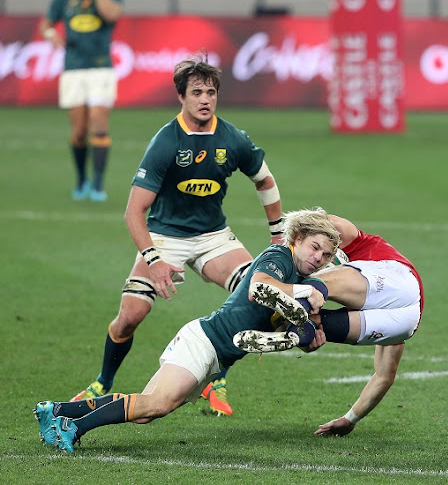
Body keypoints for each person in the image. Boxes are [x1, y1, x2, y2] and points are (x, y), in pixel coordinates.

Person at [69, 54, 286, 417]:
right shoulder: (166, 143)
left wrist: (278, 235)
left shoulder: (232, 138)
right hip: (166, 236)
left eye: (211, 92)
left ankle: (215, 379)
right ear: (181, 97)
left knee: (257, 297)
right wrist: (154, 260)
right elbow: (133, 212)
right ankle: (103, 381)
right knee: (130, 316)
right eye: (197, 92)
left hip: (214, 236)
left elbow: (264, 179)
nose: (205, 99)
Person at [34, 208, 340, 454]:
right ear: (297, 238)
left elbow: (277, 324)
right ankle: (72, 429)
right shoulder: (279, 258)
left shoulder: (297, 277)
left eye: (326, 255)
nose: (318, 258)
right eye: (315, 248)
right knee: (157, 404)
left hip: (216, 355)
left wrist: (304, 337)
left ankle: (57, 411)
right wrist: (303, 298)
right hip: (204, 342)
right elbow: (259, 289)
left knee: (146, 411)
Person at [235, 214, 424, 436]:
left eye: (325, 253)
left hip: (397, 280)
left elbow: (320, 221)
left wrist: (290, 233)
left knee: (317, 284)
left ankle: (284, 321)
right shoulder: (352, 246)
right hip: (406, 324)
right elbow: (384, 376)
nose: (319, 257)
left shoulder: (358, 242)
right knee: (316, 324)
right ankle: (296, 334)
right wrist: (350, 419)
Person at [40, 0, 123, 202]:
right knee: (78, 132)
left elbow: (111, 14)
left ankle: (98, 185)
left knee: (99, 124)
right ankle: (81, 179)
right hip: (73, 69)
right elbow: (46, 23)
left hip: (101, 68)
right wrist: (51, 34)